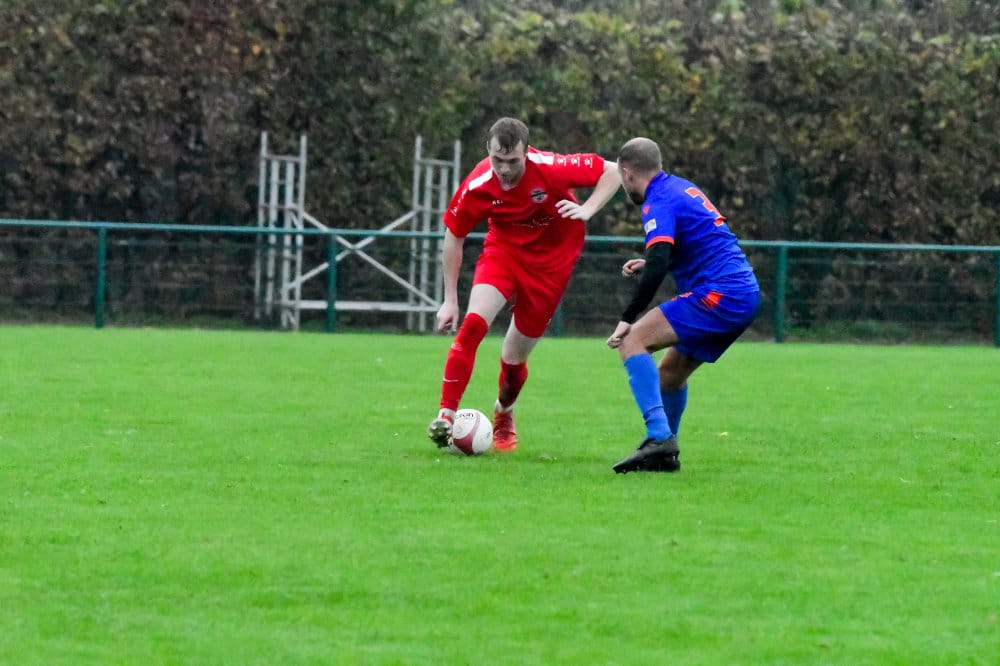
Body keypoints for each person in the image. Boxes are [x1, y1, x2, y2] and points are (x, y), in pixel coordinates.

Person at [427, 117, 621, 451]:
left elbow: (613, 171)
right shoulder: (478, 184)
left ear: (527, 153)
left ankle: (504, 411)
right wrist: (449, 300)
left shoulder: (551, 168)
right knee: (473, 324)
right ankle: (446, 415)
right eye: (497, 159)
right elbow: (453, 236)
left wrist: (588, 209)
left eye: (513, 161)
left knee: (513, 361)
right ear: (488, 151)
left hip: (550, 267)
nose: (504, 169)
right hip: (503, 254)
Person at [607, 137, 760, 474]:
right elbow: (697, 243)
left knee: (632, 341)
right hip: (742, 293)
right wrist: (650, 262)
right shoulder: (681, 188)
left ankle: (659, 437)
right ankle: (664, 454)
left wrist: (627, 317)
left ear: (628, 173)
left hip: (721, 294)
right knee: (671, 374)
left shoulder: (657, 201)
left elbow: (661, 261)